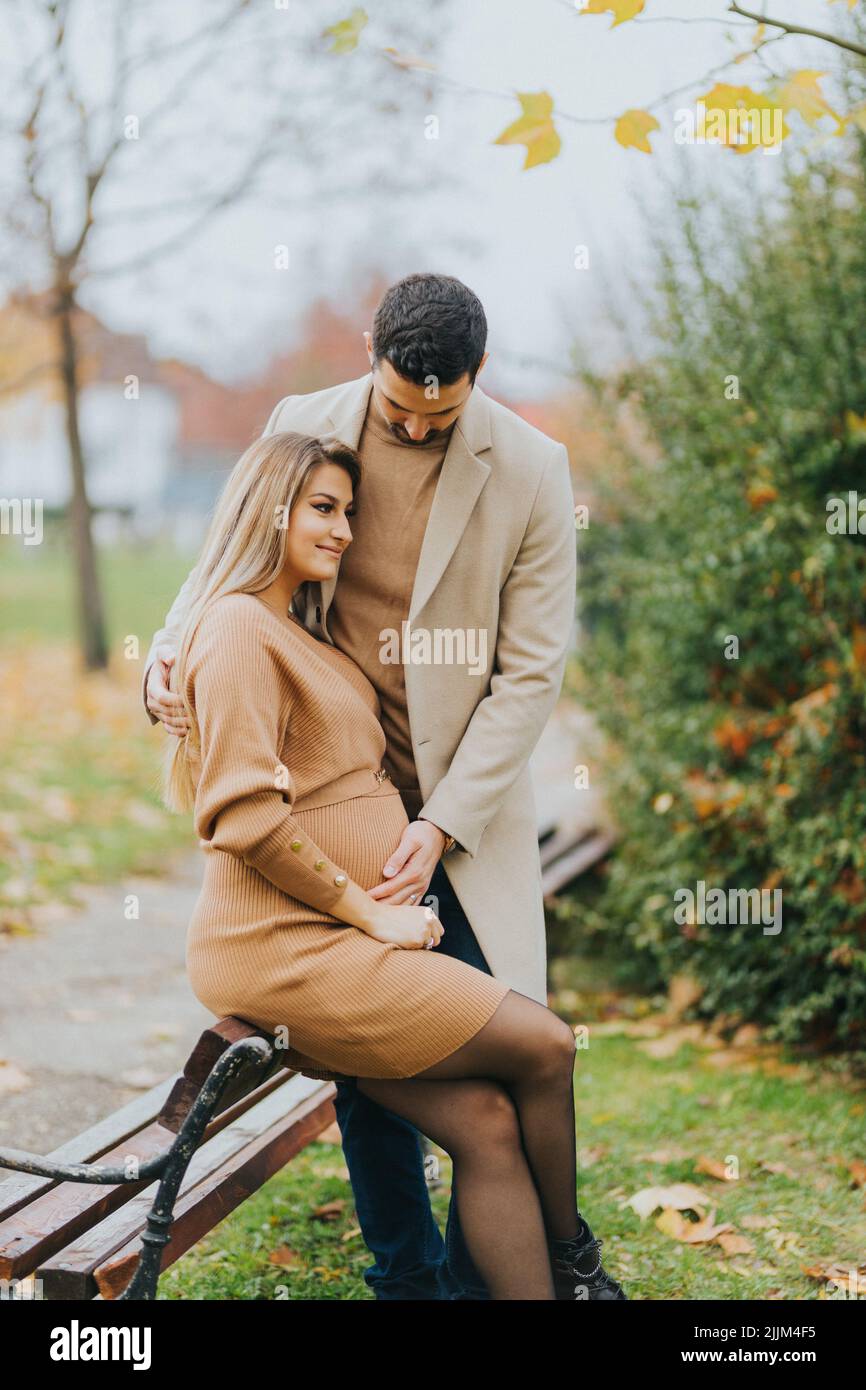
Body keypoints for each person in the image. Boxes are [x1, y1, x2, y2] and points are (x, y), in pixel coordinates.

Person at [144, 272, 626, 1301]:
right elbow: (230, 550)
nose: (410, 431)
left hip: (457, 808)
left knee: (487, 1072)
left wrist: (443, 818)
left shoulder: (531, 466)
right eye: (396, 408)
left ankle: (511, 1269)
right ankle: (407, 1278)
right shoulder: (301, 428)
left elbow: (530, 670)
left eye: (435, 416)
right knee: (381, 1083)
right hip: (326, 802)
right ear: (372, 351)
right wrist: (170, 647)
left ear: (476, 378)